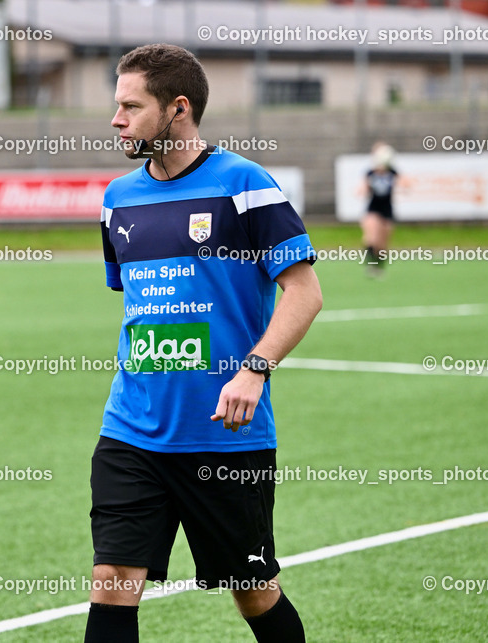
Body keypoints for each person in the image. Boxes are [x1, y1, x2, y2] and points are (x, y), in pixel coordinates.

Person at [86, 44, 323, 642]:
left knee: (253, 592)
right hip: (130, 430)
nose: (116, 120)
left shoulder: (244, 185)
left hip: (225, 436)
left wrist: (254, 368)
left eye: (130, 107)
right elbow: (141, 306)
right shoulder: (118, 199)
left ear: (178, 109)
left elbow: (304, 292)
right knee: (113, 579)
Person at [361, 142, 399, 278]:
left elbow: (406, 183)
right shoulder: (371, 173)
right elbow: (363, 188)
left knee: (382, 243)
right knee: (371, 238)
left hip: (387, 210)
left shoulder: (392, 172)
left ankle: (379, 267)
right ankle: (370, 265)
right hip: (373, 209)